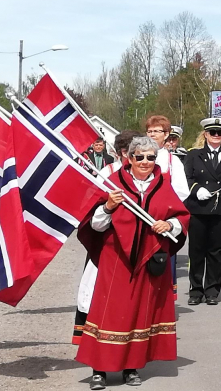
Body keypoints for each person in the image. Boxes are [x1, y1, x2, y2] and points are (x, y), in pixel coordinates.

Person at [75, 136, 189, 390]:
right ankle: (99, 371)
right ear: (129, 158)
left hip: (148, 261)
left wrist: (169, 224)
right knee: (108, 313)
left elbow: (180, 216)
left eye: (151, 157)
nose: (146, 162)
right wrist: (108, 206)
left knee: (139, 313)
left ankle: (131, 367)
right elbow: (94, 224)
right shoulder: (112, 183)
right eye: (140, 157)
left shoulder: (163, 185)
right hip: (115, 260)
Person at [73, 130, 139, 346]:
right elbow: (93, 214)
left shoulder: (144, 176)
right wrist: (109, 207)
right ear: (123, 153)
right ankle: (93, 341)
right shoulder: (107, 174)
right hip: (107, 243)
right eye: (135, 154)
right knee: (96, 293)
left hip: (135, 244)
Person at [183, 118, 221, 305]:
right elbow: (186, 179)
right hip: (199, 209)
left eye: (219, 133)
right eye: (213, 133)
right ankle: (195, 290)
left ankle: (212, 290)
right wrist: (196, 189)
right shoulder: (194, 155)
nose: (216, 136)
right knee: (196, 251)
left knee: (216, 252)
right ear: (205, 134)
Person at [145, 115, 190, 301]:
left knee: (161, 263)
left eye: (157, 131)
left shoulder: (172, 161)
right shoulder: (139, 157)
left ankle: (162, 305)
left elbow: (182, 192)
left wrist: (165, 211)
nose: (153, 134)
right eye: (150, 131)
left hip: (163, 221)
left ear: (166, 135)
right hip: (141, 218)